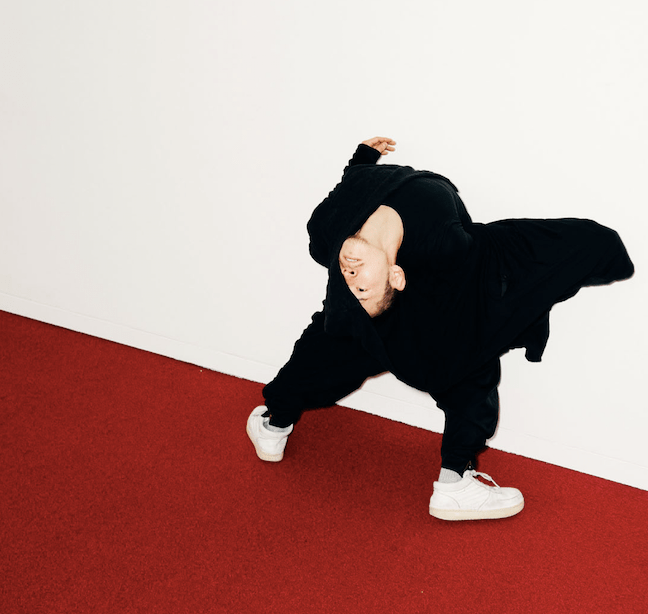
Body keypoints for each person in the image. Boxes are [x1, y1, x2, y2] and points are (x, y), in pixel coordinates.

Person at [246, 137, 634, 521]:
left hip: (424, 296)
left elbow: (349, 188)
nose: (349, 277)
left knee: (356, 337)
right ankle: (452, 485)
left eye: (353, 287)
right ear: (395, 276)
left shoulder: (325, 234)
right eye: (361, 289)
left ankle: (276, 424)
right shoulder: (445, 242)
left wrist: (362, 160)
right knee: (461, 359)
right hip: (436, 293)